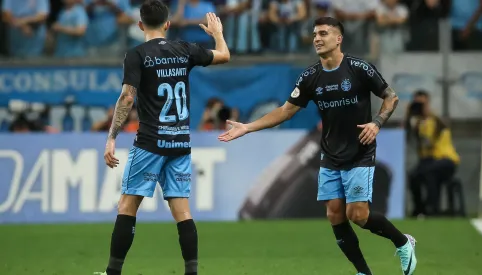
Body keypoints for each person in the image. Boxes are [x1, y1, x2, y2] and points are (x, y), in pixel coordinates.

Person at [218, 17, 416, 275]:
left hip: (359, 151)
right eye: (314, 34)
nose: (317, 39)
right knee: (335, 214)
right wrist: (248, 127)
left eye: (323, 33)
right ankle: (363, 272)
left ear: (338, 39)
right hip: (330, 155)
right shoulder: (310, 77)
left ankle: (403, 242)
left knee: (358, 215)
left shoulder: (359, 68)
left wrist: (377, 123)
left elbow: (391, 97)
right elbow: (285, 111)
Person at [94, 0, 230, 274]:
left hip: (149, 143)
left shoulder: (137, 54)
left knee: (127, 206)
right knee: (182, 211)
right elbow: (224, 55)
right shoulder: (184, 49)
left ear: (140, 24)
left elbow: (128, 96)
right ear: (168, 24)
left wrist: (111, 137)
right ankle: (191, 271)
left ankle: (113, 272)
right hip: (179, 142)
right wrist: (217, 34)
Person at [405, 90, 460, 217]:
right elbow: (408, 137)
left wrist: (427, 114)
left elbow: (430, 139)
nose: (420, 107)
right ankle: (419, 209)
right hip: (428, 161)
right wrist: (408, 115)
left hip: (446, 159)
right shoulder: (417, 122)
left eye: (422, 104)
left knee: (428, 172)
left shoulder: (435, 120)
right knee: (413, 176)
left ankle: (431, 209)